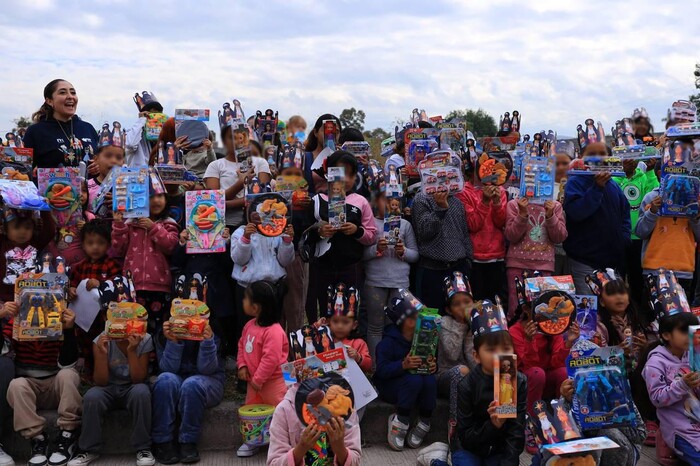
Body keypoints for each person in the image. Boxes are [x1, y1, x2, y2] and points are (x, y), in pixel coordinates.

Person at [4, 304, 81, 466]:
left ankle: (68, 434)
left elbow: (68, 363)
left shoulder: (60, 318)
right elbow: (3, 349)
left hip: (55, 384)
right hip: (29, 385)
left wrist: (68, 330)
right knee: (16, 385)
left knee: (68, 375)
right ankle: (38, 439)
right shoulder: (16, 320)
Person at [306, 150, 377, 323]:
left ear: (355, 177)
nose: (343, 178)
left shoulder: (360, 201)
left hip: (350, 267)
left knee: (348, 314)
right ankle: (324, 347)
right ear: (328, 173)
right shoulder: (317, 200)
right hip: (322, 267)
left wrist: (356, 231)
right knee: (324, 314)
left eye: (349, 174)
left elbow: (371, 235)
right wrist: (319, 232)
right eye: (338, 172)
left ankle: (350, 347)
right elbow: (305, 234)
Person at [451, 305, 527, 465]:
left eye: (506, 348)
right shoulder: (466, 385)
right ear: (476, 356)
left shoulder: (517, 381)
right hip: (469, 448)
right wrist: (493, 424)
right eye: (491, 350)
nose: (499, 354)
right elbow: (465, 437)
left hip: (499, 449)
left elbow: (516, 432)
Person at [67, 332, 154, 466]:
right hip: (108, 387)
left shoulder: (144, 338)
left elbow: (138, 379)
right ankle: (89, 449)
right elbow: (101, 381)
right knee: (92, 396)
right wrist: (102, 353)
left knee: (141, 393)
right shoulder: (101, 340)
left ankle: (143, 447)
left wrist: (131, 350)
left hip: (132, 387)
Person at [111, 173, 179, 335]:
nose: (156, 200)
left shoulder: (169, 223)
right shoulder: (130, 224)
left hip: (159, 287)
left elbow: (171, 246)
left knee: (157, 330)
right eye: (150, 196)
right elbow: (118, 250)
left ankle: (156, 360)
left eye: (160, 196)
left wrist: (153, 228)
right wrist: (119, 225)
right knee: (135, 328)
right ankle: (138, 358)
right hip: (132, 286)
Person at [151, 320, 224, 464]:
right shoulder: (164, 332)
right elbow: (167, 369)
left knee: (191, 385)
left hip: (208, 379)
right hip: (176, 376)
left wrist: (207, 341)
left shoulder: (210, 330)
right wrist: (172, 341)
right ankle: (163, 442)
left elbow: (207, 369)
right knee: (164, 381)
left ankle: (188, 442)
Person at [563, 142, 631, 294]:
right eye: (592, 154)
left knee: (612, 306)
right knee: (588, 308)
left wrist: (623, 239)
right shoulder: (575, 182)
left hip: (613, 262)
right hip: (584, 261)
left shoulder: (613, 185)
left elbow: (624, 214)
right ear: (581, 158)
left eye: (602, 154)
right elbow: (576, 213)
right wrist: (597, 188)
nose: (598, 158)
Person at [363, 178, 418, 363]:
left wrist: (403, 252)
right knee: (375, 326)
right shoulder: (370, 224)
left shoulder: (405, 225)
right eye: (384, 200)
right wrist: (375, 249)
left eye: (393, 201)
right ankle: (376, 367)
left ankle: (397, 364)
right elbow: (362, 255)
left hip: (400, 282)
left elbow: (415, 255)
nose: (389, 205)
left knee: (398, 325)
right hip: (375, 281)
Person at [374, 293, 437, 451]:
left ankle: (425, 419)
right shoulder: (388, 342)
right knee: (414, 380)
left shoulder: (425, 338)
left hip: (415, 386)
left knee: (429, 380)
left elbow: (431, 361)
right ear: (404, 321)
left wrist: (431, 365)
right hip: (391, 386)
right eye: (416, 317)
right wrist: (402, 365)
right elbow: (381, 371)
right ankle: (400, 419)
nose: (421, 320)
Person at [509, 311, 578, 454]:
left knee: (563, 372)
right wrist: (529, 341)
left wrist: (569, 342)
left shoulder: (552, 328)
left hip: (546, 380)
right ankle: (531, 425)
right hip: (527, 383)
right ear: (526, 307)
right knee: (537, 373)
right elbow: (526, 366)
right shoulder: (515, 330)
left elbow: (557, 363)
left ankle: (564, 423)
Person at [236, 281, 289, 457]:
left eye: (246, 298)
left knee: (279, 411)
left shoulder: (274, 330)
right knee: (251, 410)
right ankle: (252, 440)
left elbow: (271, 359)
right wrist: (242, 365)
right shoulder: (249, 326)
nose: (243, 300)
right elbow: (242, 346)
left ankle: (281, 442)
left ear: (256, 307)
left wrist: (258, 379)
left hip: (274, 381)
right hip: (254, 382)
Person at [643, 310, 700, 464]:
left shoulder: (693, 355)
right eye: (684, 330)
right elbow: (657, 399)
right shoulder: (656, 363)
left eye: (694, 330)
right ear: (666, 335)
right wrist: (683, 384)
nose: (690, 335)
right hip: (680, 428)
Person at [68, 219, 122, 380]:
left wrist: (102, 284)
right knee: (85, 348)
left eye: (100, 243)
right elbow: (72, 286)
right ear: (83, 244)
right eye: (90, 243)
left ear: (108, 244)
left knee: (104, 347)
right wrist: (71, 291)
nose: (95, 247)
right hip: (84, 321)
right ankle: (88, 378)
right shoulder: (79, 267)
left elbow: (119, 289)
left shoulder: (112, 265)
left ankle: (106, 378)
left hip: (103, 320)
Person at [230, 218, 294, 354]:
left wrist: (287, 241)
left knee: (272, 325)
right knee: (246, 326)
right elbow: (238, 259)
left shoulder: (277, 231)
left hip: (272, 286)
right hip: (248, 288)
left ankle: (272, 355)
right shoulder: (240, 231)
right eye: (255, 212)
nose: (261, 216)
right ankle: (247, 359)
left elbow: (285, 261)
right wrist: (246, 238)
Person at [266, 383, 361, 466]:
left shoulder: (344, 406)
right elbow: (274, 462)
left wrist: (340, 448)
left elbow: (356, 460)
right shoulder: (284, 411)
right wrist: (301, 448)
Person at [412, 188, 472, 310]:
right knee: (431, 317)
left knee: (461, 315)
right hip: (432, 269)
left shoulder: (457, 202)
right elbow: (424, 233)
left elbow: (464, 234)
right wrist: (440, 209)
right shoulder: (421, 199)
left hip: (458, 269)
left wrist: (469, 260)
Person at [504, 197, 567, 314]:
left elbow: (560, 237)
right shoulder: (514, 204)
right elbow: (511, 236)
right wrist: (522, 214)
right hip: (518, 265)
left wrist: (550, 216)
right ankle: (515, 331)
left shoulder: (555, 206)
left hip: (544, 266)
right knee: (516, 309)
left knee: (542, 309)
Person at [203, 122, 271, 231]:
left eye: (241, 136)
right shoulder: (215, 165)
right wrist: (240, 183)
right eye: (231, 137)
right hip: (223, 226)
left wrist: (227, 204)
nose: (237, 141)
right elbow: (213, 200)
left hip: (255, 224)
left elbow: (262, 197)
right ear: (224, 141)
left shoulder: (260, 163)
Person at [636, 186, 700, 296]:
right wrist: (652, 212)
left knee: (682, 312)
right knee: (653, 310)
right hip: (654, 269)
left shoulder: (694, 199)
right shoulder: (651, 197)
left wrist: (695, 216)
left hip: (684, 270)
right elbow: (640, 232)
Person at [613, 157, 659, 305]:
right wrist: (623, 174)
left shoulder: (644, 177)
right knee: (617, 276)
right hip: (619, 236)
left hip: (639, 238)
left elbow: (655, 194)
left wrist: (651, 171)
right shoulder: (614, 179)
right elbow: (612, 195)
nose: (630, 161)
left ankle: (638, 311)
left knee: (637, 278)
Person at [24, 79, 98, 169]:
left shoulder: (88, 128)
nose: (70, 96)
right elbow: (25, 168)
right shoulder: (35, 131)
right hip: (53, 183)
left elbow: (102, 161)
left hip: (88, 183)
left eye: (73, 93)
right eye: (63, 93)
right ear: (50, 101)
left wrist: (99, 166)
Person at [277, 145, 312, 331]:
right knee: (275, 309)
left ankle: (295, 351)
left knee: (295, 305)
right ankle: (277, 350)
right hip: (270, 253)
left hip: (295, 250)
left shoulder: (305, 185)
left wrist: (309, 201)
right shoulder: (273, 184)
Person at [457, 180, 507, 309]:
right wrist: (484, 201)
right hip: (474, 257)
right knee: (476, 304)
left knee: (496, 304)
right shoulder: (464, 191)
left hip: (496, 256)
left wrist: (496, 202)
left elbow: (501, 222)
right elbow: (473, 225)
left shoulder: (499, 190)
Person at [437, 273, 477, 434]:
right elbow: (452, 354)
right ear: (449, 309)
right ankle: (456, 423)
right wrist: (462, 326)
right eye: (457, 304)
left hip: (472, 376)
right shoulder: (444, 322)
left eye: (467, 303)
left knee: (502, 371)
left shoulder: (478, 322)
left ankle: (502, 425)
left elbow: (475, 361)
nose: (463, 308)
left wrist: (471, 330)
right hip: (446, 375)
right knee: (461, 370)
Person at [326, 283, 371, 372]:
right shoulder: (325, 341)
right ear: (328, 323)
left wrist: (358, 357)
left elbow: (368, 366)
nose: (340, 326)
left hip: (352, 382)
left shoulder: (358, 343)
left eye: (345, 322)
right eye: (335, 321)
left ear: (354, 325)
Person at [86, 131, 125, 214]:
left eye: (118, 158)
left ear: (123, 162)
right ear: (96, 159)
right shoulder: (86, 187)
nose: (114, 161)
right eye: (108, 156)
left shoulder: (128, 189)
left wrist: (121, 204)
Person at [303, 114, 342, 194]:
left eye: (336, 131)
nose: (331, 135)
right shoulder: (305, 158)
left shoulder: (343, 158)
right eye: (326, 130)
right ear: (315, 132)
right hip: (313, 205)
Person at [125, 90, 163, 167]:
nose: (154, 118)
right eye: (151, 114)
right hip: (139, 176)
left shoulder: (162, 136)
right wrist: (141, 120)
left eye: (157, 114)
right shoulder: (135, 132)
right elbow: (131, 144)